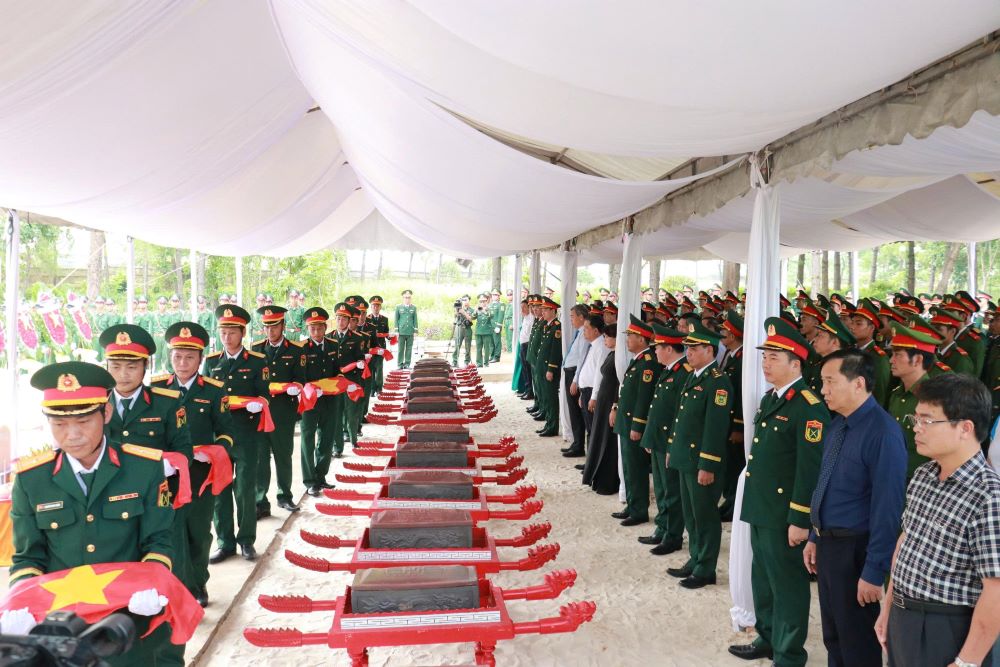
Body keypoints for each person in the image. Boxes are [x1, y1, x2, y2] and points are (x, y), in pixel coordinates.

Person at [9, 361, 178, 664]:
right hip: (60, 628)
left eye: (84, 421)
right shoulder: (31, 479)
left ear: (106, 413)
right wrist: (20, 599)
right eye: (59, 425)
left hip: (127, 622)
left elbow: (159, 540)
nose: (72, 435)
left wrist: (152, 581)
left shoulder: (144, 468)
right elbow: (27, 557)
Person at [875, 374, 1000, 667]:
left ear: (965, 428)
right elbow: (907, 542)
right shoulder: (924, 475)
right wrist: (888, 607)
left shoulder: (989, 496)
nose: (916, 428)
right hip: (904, 617)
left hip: (946, 628)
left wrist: (967, 662)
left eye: (927, 420)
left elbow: (996, 589)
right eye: (915, 418)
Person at [730, 317, 829, 664]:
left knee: (787, 585)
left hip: (785, 514)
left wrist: (800, 519)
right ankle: (768, 637)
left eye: (774, 357)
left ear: (795, 363)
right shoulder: (772, 399)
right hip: (762, 508)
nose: (766, 363)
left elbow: (809, 469)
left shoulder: (808, 407)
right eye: (764, 356)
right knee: (763, 579)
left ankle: (789, 653)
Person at [803, 349, 907, 667]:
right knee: (834, 637)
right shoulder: (838, 426)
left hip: (856, 551)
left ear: (858, 383)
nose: (823, 390)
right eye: (822, 382)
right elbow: (825, 484)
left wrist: (874, 571)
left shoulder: (883, 433)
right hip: (829, 545)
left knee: (857, 643)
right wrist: (814, 535)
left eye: (830, 381)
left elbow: (887, 509)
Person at [153, 322, 234, 608]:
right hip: (166, 474)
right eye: (177, 357)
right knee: (171, 533)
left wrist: (213, 453)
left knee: (198, 533)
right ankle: (183, 586)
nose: (182, 363)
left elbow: (226, 432)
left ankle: (199, 582)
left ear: (200, 360)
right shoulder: (157, 389)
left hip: (200, 473)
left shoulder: (214, 390)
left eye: (189, 357)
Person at [666, 320, 732, 589]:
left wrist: (708, 465)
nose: (688, 353)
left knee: (705, 516)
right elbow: (681, 417)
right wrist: (672, 448)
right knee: (691, 514)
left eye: (694, 349)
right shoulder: (694, 376)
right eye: (687, 348)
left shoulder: (718, 382)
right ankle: (695, 559)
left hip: (701, 462)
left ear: (709, 351)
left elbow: (715, 429)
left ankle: (706, 568)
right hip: (685, 458)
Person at [204, 305, 269, 563]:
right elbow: (205, 397)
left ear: (243, 333)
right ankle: (225, 542)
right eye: (223, 332)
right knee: (219, 490)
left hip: (246, 433)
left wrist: (258, 403)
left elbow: (265, 394)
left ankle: (246, 540)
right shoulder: (211, 362)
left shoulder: (257, 361)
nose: (227, 337)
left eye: (232, 332)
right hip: (219, 436)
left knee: (244, 489)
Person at [638, 323, 690, 556]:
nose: (655, 351)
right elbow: (658, 406)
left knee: (671, 491)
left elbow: (679, 413)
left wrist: (671, 445)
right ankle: (662, 527)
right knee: (661, 489)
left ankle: (673, 535)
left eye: (658, 347)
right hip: (658, 438)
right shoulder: (669, 370)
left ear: (669, 349)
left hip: (669, 440)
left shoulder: (683, 373)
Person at [251, 306, 305, 518]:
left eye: (274, 326)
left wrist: (296, 386)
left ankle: (285, 496)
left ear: (283, 325)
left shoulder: (296, 350)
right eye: (266, 327)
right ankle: (260, 501)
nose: (270, 331)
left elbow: (301, 378)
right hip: (260, 413)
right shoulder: (255, 349)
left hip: (283, 412)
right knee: (260, 458)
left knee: (283, 455)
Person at [610, 315, 662, 527]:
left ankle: (639, 510)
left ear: (642, 339)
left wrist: (637, 425)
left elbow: (643, 398)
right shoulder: (638, 360)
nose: (627, 340)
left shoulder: (648, 363)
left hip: (634, 424)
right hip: (626, 421)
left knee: (636, 468)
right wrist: (616, 407)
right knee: (629, 467)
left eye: (630, 336)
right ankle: (632, 505)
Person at [887, 322, 940, 479]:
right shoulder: (897, 394)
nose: (891, 360)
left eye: (898, 355)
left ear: (917, 360)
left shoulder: (934, 399)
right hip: (893, 475)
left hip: (919, 481)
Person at [299, 306, 339, 495]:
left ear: (325, 327)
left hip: (330, 400)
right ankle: (309, 481)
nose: (316, 332)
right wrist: (311, 389)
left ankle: (321, 476)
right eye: (312, 328)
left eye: (319, 328)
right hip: (310, 401)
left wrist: (340, 384)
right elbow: (299, 376)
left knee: (327, 437)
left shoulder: (333, 345)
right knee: (308, 438)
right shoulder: (302, 348)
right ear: (308, 329)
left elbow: (338, 371)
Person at [583, 323, 621, 495]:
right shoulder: (612, 353)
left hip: (610, 402)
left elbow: (619, 383)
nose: (605, 339)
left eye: (607, 337)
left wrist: (615, 405)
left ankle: (608, 481)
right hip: (604, 401)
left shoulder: (620, 358)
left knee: (608, 441)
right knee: (600, 437)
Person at [718, 312, 745, 522]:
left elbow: (741, 395)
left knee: (735, 465)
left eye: (724, 331)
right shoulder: (733, 355)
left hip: (735, 422)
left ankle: (733, 504)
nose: (721, 334)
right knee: (728, 465)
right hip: (727, 420)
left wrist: (738, 427)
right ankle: (729, 502)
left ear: (733, 336)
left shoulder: (742, 359)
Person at [575, 314, 610, 460]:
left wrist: (593, 397)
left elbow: (599, 375)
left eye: (587, 328)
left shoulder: (601, 347)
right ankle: (589, 461)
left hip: (592, 392)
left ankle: (592, 462)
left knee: (593, 430)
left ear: (596, 331)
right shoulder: (593, 345)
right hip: (586, 391)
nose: (584, 331)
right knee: (589, 428)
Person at [560, 304, 590, 458]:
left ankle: (579, 446)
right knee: (573, 411)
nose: (571, 319)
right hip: (570, 372)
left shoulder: (584, 334)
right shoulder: (579, 333)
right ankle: (576, 442)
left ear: (581, 317)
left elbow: (581, 359)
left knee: (576, 412)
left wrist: (575, 380)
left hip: (574, 374)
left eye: (573, 316)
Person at [849, 299, 892, 406]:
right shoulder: (850, 351)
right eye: (852, 322)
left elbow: (879, 395)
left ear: (872, 328)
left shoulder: (878, 358)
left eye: (858, 324)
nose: (852, 327)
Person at [533, 296, 562, 437]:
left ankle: (553, 426)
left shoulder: (556, 327)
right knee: (545, 396)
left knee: (551, 398)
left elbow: (555, 351)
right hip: (542, 367)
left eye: (545, 309)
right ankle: (548, 424)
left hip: (548, 368)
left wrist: (551, 369)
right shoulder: (548, 325)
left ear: (553, 310)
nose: (542, 312)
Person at [367, 295, 390, 394]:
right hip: (370, 348)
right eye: (374, 306)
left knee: (379, 368)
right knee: (371, 368)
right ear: (371, 307)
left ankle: (379, 388)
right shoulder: (367, 319)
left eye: (377, 306)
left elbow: (386, 332)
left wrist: (390, 336)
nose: (375, 308)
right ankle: (372, 389)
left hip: (381, 347)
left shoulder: (384, 319)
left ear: (380, 307)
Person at [516, 298, 535, 399]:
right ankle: (527, 390)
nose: (522, 310)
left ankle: (530, 392)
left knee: (528, 369)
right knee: (524, 369)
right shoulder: (525, 318)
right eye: (521, 307)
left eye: (524, 307)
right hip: (523, 345)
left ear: (529, 307)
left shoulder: (532, 318)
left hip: (527, 345)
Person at [394, 290, 418, 369]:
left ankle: (407, 364)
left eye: (409, 297)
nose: (407, 299)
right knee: (400, 349)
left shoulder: (413, 308)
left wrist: (415, 331)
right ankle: (400, 364)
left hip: (410, 331)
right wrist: (396, 331)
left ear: (411, 298)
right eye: (406, 297)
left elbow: (415, 320)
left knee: (409, 349)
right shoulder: (398, 307)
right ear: (403, 298)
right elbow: (396, 319)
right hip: (401, 331)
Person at [473, 293, 495, 366]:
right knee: (478, 348)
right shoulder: (477, 308)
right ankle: (479, 363)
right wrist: (475, 311)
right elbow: (472, 317)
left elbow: (492, 316)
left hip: (487, 331)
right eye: (481, 301)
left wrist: (485, 311)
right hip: (478, 331)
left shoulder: (490, 308)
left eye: (484, 301)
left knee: (486, 348)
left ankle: (486, 362)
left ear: (487, 301)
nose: (482, 303)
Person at [453, 295, 474, 366]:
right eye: (463, 300)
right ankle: (455, 361)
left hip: (467, 328)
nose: (464, 301)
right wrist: (457, 310)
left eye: (466, 300)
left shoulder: (471, 310)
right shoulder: (459, 308)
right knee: (457, 345)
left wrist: (464, 313)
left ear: (469, 301)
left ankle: (467, 362)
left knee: (468, 346)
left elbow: (471, 319)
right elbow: (455, 316)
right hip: (459, 328)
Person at [489, 288, 504, 363]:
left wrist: (498, 326)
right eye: (493, 295)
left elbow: (501, 316)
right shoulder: (490, 305)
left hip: (496, 326)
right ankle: (492, 356)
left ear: (499, 296)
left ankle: (497, 357)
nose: (494, 296)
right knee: (491, 342)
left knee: (497, 342)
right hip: (490, 326)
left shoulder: (501, 304)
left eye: (496, 295)